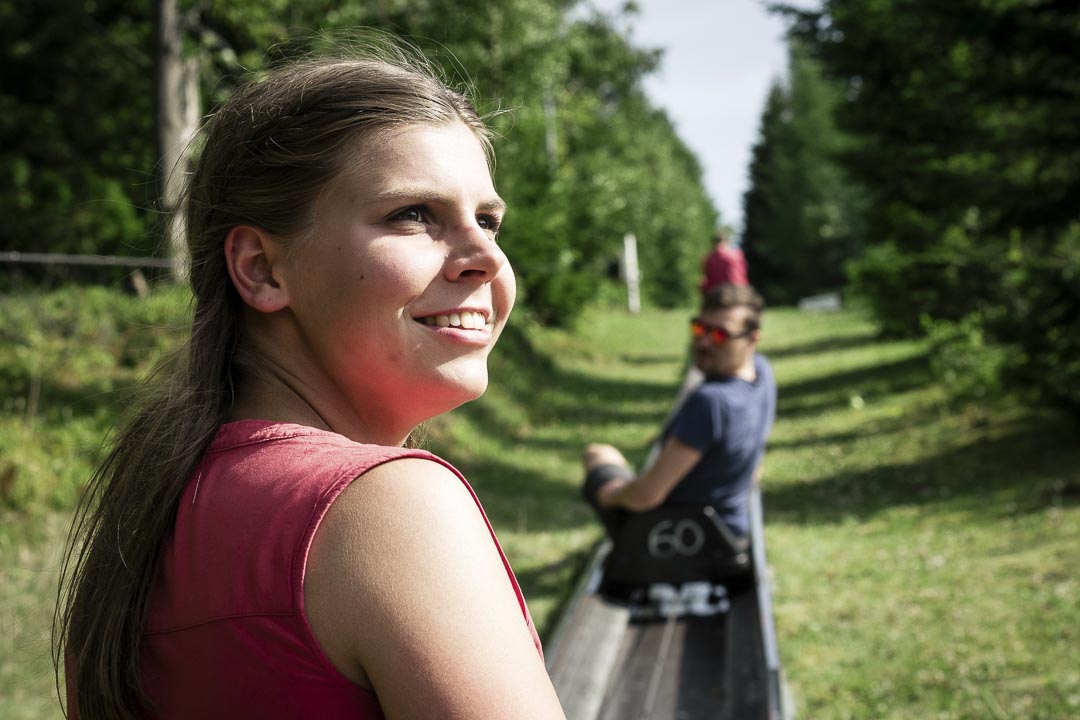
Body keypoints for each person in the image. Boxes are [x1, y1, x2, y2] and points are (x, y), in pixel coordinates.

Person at [54, 46, 567, 720]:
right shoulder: (387, 507)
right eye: (412, 214)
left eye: (489, 220)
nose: (486, 258)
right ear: (262, 269)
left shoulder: (159, 508)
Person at [583, 284, 775, 542]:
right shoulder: (763, 373)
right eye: (699, 328)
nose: (704, 341)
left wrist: (612, 494)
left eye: (720, 335)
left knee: (598, 454)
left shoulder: (711, 402)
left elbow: (647, 496)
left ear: (752, 339)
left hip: (674, 536)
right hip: (731, 530)